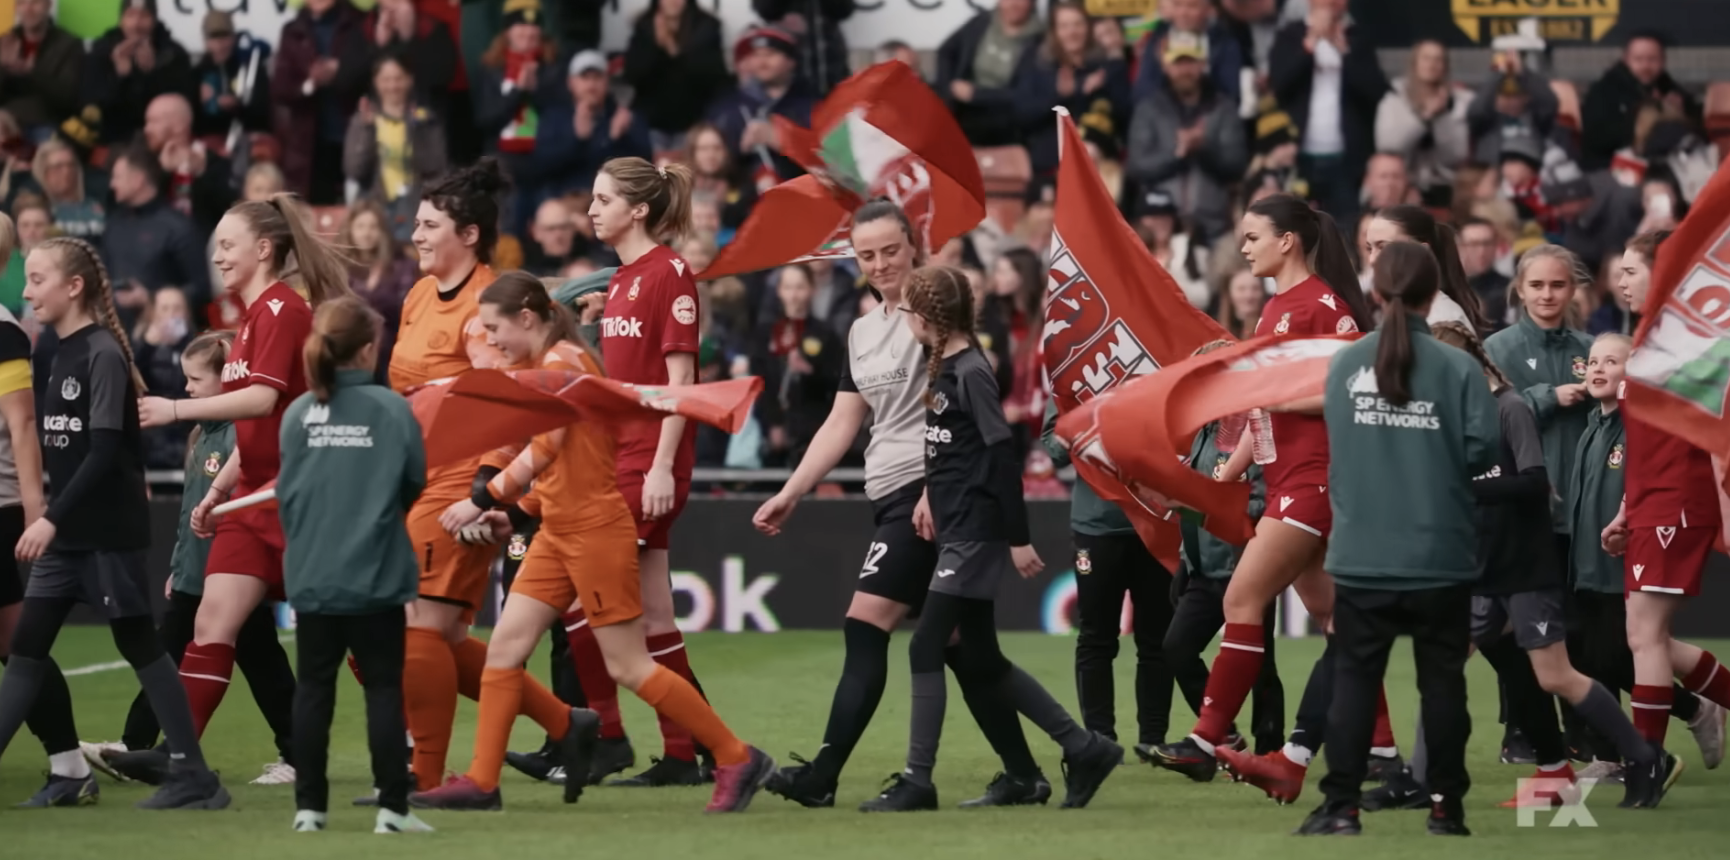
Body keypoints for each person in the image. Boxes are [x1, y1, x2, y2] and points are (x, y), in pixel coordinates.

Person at [756, 202, 1078, 809]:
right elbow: (842, 421)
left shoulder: (936, 316)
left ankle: (824, 775)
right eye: (866, 254)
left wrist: (937, 487)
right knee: (965, 650)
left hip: (923, 496)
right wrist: (792, 490)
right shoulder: (861, 329)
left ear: (915, 245)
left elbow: (953, 411)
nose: (879, 264)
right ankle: (1038, 767)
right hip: (893, 493)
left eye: (890, 251)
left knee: (865, 626)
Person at [417, 273, 772, 813]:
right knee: (506, 652)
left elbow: (546, 451)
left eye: (494, 329)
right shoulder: (553, 366)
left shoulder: (562, 367)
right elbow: (570, 465)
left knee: (629, 664)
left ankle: (736, 755)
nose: (491, 341)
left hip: (592, 534)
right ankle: (482, 782)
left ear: (527, 319)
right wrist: (519, 513)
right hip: (561, 531)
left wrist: (485, 499)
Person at [1370, 323, 1663, 813]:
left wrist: (1462, 491)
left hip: (1524, 567)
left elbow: (1533, 484)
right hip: (1480, 570)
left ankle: (1642, 756)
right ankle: (1422, 781)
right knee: (1441, 664)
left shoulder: (1510, 409)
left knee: (1556, 676)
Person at [859, 265, 1120, 812]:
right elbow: (950, 449)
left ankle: (917, 779)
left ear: (926, 317)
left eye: (907, 310)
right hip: (958, 529)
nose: (902, 319)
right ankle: (1081, 748)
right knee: (979, 659)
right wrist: (933, 493)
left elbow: (1000, 454)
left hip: (974, 535)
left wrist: (1015, 537)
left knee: (928, 646)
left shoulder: (971, 370)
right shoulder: (946, 366)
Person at [1151, 193, 1379, 791]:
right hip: (1287, 481)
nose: (1244, 247)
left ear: (1288, 240)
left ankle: (1207, 737)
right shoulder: (1276, 307)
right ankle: (1383, 753)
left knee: (1240, 601)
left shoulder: (1324, 306)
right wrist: (1216, 481)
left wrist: (1275, 399)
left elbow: (1355, 386)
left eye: (1252, 236)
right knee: (1336, 620)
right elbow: (1261, 417)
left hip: (1314, 482)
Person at [128, 195, 352, 779]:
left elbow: (263, 400)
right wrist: (217, 491)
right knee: (212, 624)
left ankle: (408, 740)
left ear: (263, 249)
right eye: (217, 245)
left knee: (355, 630)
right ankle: (182, 763)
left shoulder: (282, 310)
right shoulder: (254, 315)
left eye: (228, 245)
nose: (218, 255)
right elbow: (257, 426)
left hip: (298, 496)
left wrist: (175, 409)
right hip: (254, 495)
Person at [0, 236, 228, 810]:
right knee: (25, 650)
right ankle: (104, 774)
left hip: (104, 536)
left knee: (139, 644)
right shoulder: (56, 352)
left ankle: (195, 775)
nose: (26, 292)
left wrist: (49, 517)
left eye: (37, 280)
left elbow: (104, 453)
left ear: (74, 287)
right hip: (70, 538)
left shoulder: (101, 353)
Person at [380, 158, 573, 795]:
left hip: (459, 484)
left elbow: (505, 404)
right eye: (416, 222)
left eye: (429, 224)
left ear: (468, 235)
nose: (416, 234)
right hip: (414, 473)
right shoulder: (415, 295)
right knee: (442, 634)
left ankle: (425, 774)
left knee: (420, 629)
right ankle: (569, 727)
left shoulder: (483, 307)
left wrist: (483, 490)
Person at [1296, 241, 1497, 836]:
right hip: (1441, 555)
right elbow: (1483, 450)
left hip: (1363, 556)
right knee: (1443, 687)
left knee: (1355, 682)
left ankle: (1341, 808)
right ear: (1433, 294)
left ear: (1376, 293)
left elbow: (1338, 443)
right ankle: (1446, 810)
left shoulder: (1344, 364)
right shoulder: (1459, 368)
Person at [557, 157, 714, 788]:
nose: (591, 210)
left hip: (648, 459)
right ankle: (687, 752)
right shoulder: (624, 280)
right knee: (652, 620)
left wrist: (659, 468)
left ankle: (609, 737)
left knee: (576, 601)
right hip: (621, 454)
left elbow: (681, 385)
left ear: (638, 210)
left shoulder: (669, 274)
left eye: (602, 199)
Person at [90, 331, 298, 788]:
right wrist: (180, 565)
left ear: (229, 382)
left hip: (221, 571)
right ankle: (142, 744)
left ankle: (142, 745)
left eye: (195, 379)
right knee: (248, 662)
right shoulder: (204, 434)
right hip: (200, 570)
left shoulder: (238, 439)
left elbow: (228, 509)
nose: (186, 388)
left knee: (175, 654)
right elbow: (192, 510)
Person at [278, 296, 434, 834]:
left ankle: (309, 809)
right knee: (384, 690)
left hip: (313, 571)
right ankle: (393, 809)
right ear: (369, 349)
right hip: (376, 573)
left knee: (313, 690)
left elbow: (288, 496)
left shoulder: (300, 412)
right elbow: (414, 483)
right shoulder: (393, 409)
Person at [1602, 231, 1730, 807]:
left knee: (1642, 634)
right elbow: (1647, 443)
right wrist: (1626, 510)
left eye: (1632, 270)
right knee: (1648, 636)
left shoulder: (1682, 346)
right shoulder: (1647, 341)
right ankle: (1698, 715)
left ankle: (1645, 768)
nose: (1620, 280)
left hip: (1679, 503)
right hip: (1652, 504)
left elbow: (1710, 438)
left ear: (1667, 272)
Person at [1482, 245, 1595, 758]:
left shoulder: (1592, 348)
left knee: (1576, 632)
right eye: (1537, 286)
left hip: (1583, 511)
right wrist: (1549, 395)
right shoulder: (1499, 348)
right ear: (1519, 290)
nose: (1548, 295)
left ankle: (1582, 736)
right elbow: (1486, 417)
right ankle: (1520, 731)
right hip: (1523, 510)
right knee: (1508, 631)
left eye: (1558, 285)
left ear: (1573, 289)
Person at [1160, 340, 1284, 760]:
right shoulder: (1207, 432)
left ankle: (1270, 751)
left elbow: (1263, 503)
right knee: (1177, 648)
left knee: (1261, 664)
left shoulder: (1258, 431)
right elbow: (1199, 498)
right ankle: (1223, 735)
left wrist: (1201, 506)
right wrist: (1185, 556)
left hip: (1246, 561)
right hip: (1203, 566)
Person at [0, 218, 75, 806]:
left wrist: (34, 510)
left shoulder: (4, 333)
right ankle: (71, 765)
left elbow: (22, 424)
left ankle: (71, 766)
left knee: (17, 641)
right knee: (15, 641)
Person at [1360, 204, 1489, 333]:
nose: (1372, 260)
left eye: (1383, 247)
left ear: (1422, 250)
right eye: (1369, 249)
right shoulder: (1392, 309)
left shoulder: (1443, 321)